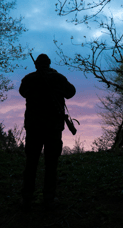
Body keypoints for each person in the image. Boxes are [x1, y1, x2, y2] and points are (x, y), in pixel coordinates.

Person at [19, 54, 76, 211]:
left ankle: (27, 199)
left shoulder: (29, 79)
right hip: (53, 128)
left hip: (34, 127)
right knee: (51, 164)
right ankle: (49, 199)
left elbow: (22, 92)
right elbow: (71, 92)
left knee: (31, 163)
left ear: (36, 64)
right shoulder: (58, 78)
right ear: (49, 64)